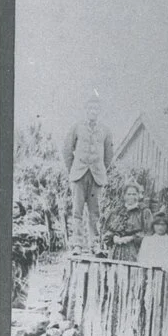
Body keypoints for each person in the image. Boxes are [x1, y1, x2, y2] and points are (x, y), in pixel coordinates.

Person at [62, 91, 114, 254]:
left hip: (96, 175)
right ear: (86, 109)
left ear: (99, 111)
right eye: (90, 108)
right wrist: (74, 170)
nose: (93, 111)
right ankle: (77, 244)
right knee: (77, 211)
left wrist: (100, 169)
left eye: (96, 108)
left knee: (95, 212)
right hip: (79, 174)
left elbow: (109, 154)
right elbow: (66, 150)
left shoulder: (105, 130)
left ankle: (94, 244)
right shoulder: (76, 127)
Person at [105, 181, 152, 262]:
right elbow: (107, 230)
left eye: (134, 194)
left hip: (134, 250)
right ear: (124, 196)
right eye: (129, 194)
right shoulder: (116, 211)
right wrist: (114, 237)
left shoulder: (144, 211)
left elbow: (149, 232)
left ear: (138, 195)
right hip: (116, 249)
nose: (131, 197)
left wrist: (131, 238)